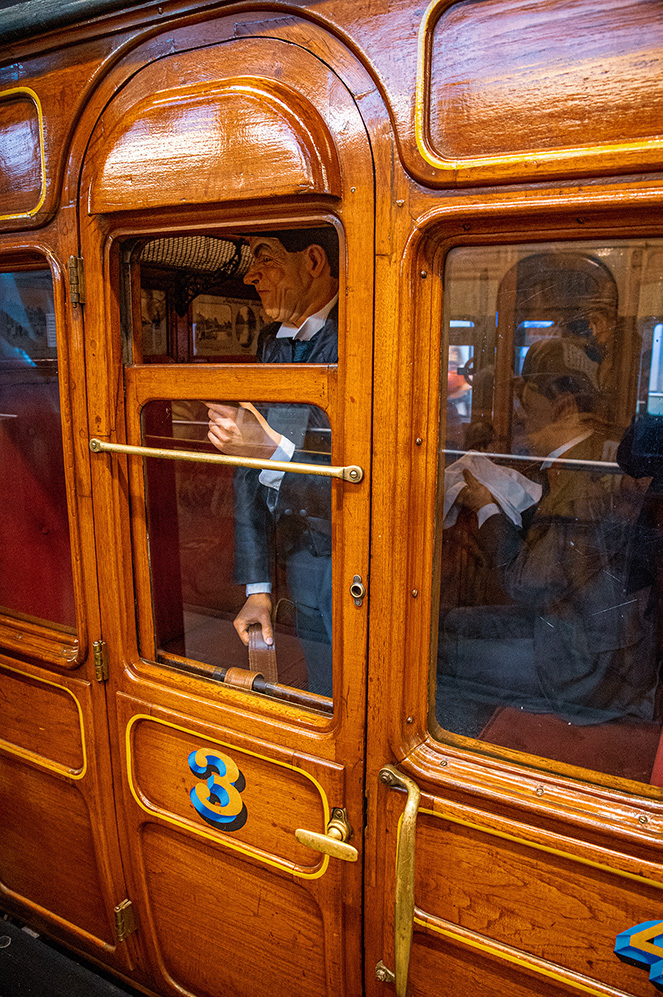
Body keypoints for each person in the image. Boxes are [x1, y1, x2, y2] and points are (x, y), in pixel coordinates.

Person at [439, 337, 659, 728]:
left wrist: (486, 505)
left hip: (586, 669)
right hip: (570, 627)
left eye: (528, 399)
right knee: (452, 621)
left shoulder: (586, 478)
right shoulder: (575, 462)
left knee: (436, 652)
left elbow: (523, 581)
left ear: (566, 406)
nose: (518, 413)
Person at [207, 228, 339, 697]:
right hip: (299, 553)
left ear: (314, 261)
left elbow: (366, 469)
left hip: (358, 557)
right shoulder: (271, 341)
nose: (250, 275)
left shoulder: (364, 331)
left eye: (265, 257)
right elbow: (249, 467)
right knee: (324, 687)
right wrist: (257, 588)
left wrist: (269, 452)